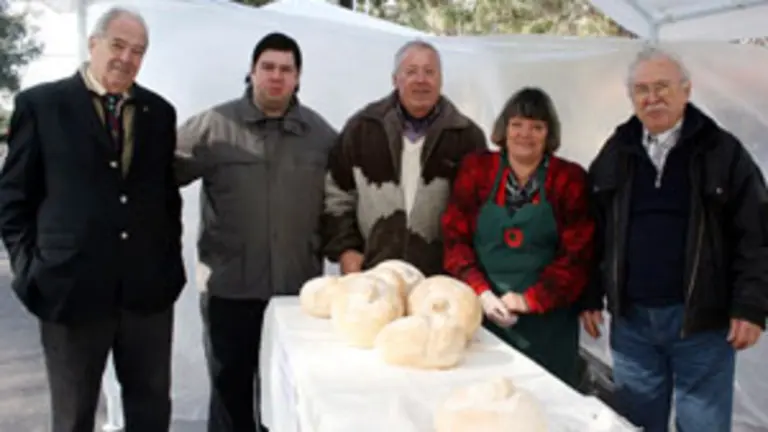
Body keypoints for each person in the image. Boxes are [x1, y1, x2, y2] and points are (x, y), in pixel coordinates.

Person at [0, 7, 185, 432]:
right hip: (69, 289)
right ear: (93, 44)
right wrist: (30, 270)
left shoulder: (159, 113)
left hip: (146, 294)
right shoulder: (42, 105)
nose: (127, 58)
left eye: (138, 51)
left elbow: (165, 198)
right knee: (73, 417)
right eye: (118, 46)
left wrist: (167, 266)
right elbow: (13, 198)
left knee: (151, 413)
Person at [580, 46, 768, 432]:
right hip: (633, 324)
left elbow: (756, 233)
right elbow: (592, 230)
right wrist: (590, 295)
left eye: (662, 86)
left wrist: (751, 306)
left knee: (703, 424)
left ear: (686, 90)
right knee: (635, 422)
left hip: (702, 322)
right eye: (642, 89)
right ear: (632, 98)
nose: (652, 98)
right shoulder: (617, 151)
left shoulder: (722, 151)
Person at [175, 32, 336, 432]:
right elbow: (156, 175)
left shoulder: (320, 136)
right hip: (230, 291)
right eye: (268, 67)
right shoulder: (215, 126)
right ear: (251, 72)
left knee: (287, 397)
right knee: (231, 395)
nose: (276, 77)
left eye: (286, 69)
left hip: (296, 295)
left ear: (298, 77)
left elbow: (343, 200)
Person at [441, 87, 594, 386]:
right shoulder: (477, 170)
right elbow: (454, 239)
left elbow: (577, 257)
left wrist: (529, 300)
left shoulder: (568, 179)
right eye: (517, 124)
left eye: (537, 127)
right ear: (504, 129)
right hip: (483, 315)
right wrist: (481, 293)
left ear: (549, 134)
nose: (525, 134)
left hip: (548, 324)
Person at [323, 40, 486, 276]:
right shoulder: (363, 129)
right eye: (411, 72)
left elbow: (480, 212)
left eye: (429, 72)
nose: (421, 80)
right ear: (395, 79)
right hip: (372, 273)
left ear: (440, 80)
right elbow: (337, 195)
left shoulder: (466, 137)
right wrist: (346, 250)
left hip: (441, 279)